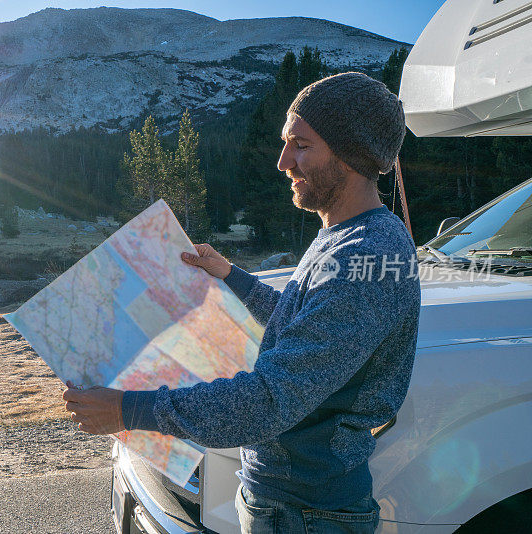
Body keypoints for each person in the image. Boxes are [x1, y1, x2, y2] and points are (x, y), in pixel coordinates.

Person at [63, 72, 421, 534]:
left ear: (352, 154)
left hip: (305, 514)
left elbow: (270, 400)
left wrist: (128, 410)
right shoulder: (344, 237)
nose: (282, 161)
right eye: (285, 142)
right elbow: (304, 327)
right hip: (291, 503)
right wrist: (232, 276)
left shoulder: (367, 254)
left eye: (301, 145)